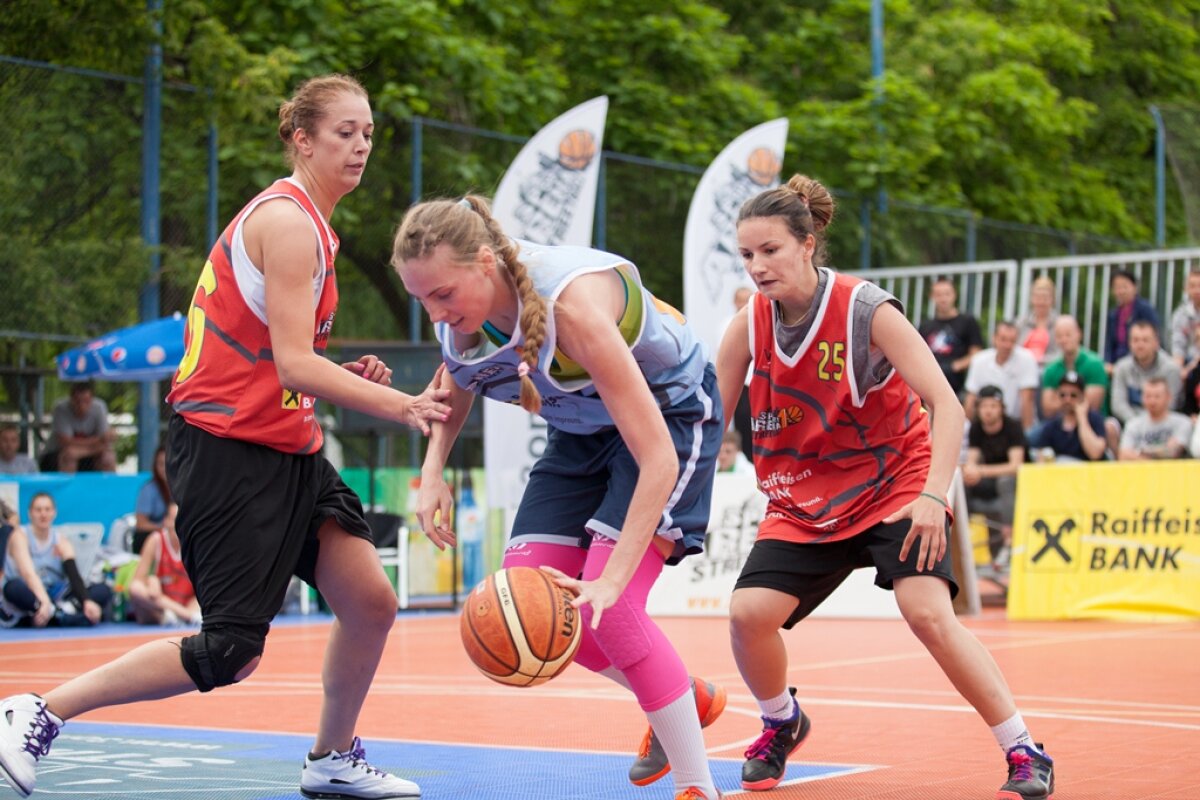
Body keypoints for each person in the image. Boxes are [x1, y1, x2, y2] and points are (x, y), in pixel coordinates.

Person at [0, 74, 451, 800]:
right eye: (345, 131)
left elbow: (274, 361)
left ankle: (331, 757)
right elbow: (291, 362)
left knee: (370, 600)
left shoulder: (312, 227)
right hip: (227, 453)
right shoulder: (288, 224)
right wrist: (397, 402)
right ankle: (39, 713)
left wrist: (344, 377)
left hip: (287, 445)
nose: (361, 144)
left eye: (369, 132)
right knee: (231, 651)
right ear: (302, 139)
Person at [714, 174, 1053, 799]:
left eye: (770, 251)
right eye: (746, 255)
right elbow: (708, 423)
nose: (757, 266)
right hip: (803, 498)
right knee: (746, 616)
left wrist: (932, 494)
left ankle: (1024, 749)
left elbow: (946, 405)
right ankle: (781, 722)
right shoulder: (748, 326)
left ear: (808, 243)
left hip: (892, 485)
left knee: (926, 612)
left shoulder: (864, 309)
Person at [393, 194, 726, 800]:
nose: (433, 311)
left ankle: (699, 786)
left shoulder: (571, 308)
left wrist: (612, 580)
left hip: (671, 418)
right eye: (421, 299)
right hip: (581, 434)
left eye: (442, 294)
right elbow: (458, 377)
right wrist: (433, 468)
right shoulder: (459, 320)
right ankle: (683, 694)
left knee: (612, 606)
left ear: (486, 262)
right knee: (536, 605)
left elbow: (656, 456)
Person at [1, 492, 111, 628]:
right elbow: (28, 574)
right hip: (32, 594)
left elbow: (74, 576)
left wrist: (86, 601)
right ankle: (58, 614)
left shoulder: (61, 540)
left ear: (54, 513)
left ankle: (57, 614)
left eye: (47, 509)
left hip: (54, 594)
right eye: (38, 510)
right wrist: (44, 602)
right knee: (13, 588)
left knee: (102, 590)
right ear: (30, 513)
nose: (43, 514)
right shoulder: (19, 536)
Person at [962, 386, 1027, 573]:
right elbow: (972, 461)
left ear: (1001, 408)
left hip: (1017, 483)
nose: (988, 410)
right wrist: (971, 472)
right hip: (990, 478)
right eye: (984, 406)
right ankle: (961, 537)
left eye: (993, 406)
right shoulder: (976, 428)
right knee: (964, 482)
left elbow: (1015, 466)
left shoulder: (1012, 426)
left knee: (1005, 481)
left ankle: (1009, 541)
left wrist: (980, 471)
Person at [127, 503, 202, 626]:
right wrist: (151, 580)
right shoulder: (155, 540)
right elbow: (138, 580)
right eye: (175, 519)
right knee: (136, 588)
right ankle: (184, 616)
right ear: (166, 521)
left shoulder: (196, 542)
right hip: (161, 605)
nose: (179, 524)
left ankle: (183, 615)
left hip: (189, 603)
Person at [963, 320, 1039, 431]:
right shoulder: (979, 360)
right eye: (1003, 339)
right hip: (984, 425)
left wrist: (1026, 434)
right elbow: (971, 399)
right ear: (994, 338)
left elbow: (1027, 400)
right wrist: (966, 430)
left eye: (1012, 340)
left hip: (1015, 425)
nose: (1007, 345)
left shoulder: (1027, 359)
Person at [917, 277, 984, 397]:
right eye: (938, 294)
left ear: (954, 295)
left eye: (947, 294)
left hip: (958, 385)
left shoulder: (967, 321)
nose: (943, 298)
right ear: (932, 297)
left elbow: (977, 352)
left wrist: (956, 366)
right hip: (931, 382)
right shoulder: (925, 326)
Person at [1110, 321, 1181, 426]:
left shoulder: (1171, 369)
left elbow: (1172, 404)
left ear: (1156, 343)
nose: (1140, 345)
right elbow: (1118, 404)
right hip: (1130, 422)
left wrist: (1150, 423)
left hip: (1163, 423)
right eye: (1135, 340)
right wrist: (1137, 423)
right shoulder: (1121, 367)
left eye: (1145, 340)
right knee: (1110, 426)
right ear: (1129, 343)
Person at [1040, 315, 1110, 418]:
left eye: (1068, 335)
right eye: (1059, 336)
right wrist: (1077, 398)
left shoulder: (1094, 364)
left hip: (1091, 420)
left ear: (1079, 334)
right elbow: (1047, 409)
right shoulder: (1051, 369)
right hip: (1059, 422)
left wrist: (1059, 399)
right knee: (1032, 434)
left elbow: (1092, 405)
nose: (1064, 339)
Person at [1030, 371, 1108, 462]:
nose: (1067, 399)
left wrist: (1082, 419)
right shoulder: (1052, 425)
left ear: (1082, 396)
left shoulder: (1094, 419)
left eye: (1073, 395)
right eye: (1063, 395)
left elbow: (1095, 453)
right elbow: (1041, 458)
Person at [45, 381, 117, 473]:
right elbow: (65, 442)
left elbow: (106, 441)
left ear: (92, 399)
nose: (82, 406)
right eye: (78, 401)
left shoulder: (99, 407)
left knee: (108, 458)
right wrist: (98, 440)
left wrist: (85, 449)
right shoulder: (61, 409)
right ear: (71, 399)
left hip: (89, 453)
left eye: (86, 401)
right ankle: (69, 486)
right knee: (69, 455)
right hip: (55, 455)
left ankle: (108, 486)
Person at [1117, 377, 1193, 461]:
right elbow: (1123, 455)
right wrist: (1157, 456)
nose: (1152, 401)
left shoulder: (1183, 422)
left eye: (1157, 396)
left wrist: (1139, 453)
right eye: (1148, 396)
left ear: (1168, 397)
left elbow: (1174, 451)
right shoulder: (1133, 424)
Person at [1104, 269, 1161, 367]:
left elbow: (1154, 336)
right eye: (1117, 287)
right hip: (1116, 362)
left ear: (1135, 287)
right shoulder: (1113, 315)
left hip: (1139, 361)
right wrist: (1108, 363)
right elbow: (1109, 344)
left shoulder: (1145, 309)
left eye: (1124, 287)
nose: (1121, 291)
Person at [131, 444, 171, 555]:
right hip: (154, 536)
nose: (164, 469)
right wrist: (164, 528)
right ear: (155, 466)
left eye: (168, 463)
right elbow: (141, 524)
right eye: (161, 464)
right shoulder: (148, 489)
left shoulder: (183, 487)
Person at [1015, 276, 1060, 368]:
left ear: (1052, 300)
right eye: (1037, 297)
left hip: (1049, 368)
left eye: (1045, 298)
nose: (1041, 302)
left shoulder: (1059, 324)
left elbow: (1061, 353)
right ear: (1032, 299)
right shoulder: (1021, 322)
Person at [1169, 266, 1200, 378]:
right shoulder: (1180, 314)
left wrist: (1191, 367)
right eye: (1192, 286)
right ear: (1186, 289)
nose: (1197, 290)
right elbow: (1178, 344)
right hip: (1187, 361)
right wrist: (1178, 369)